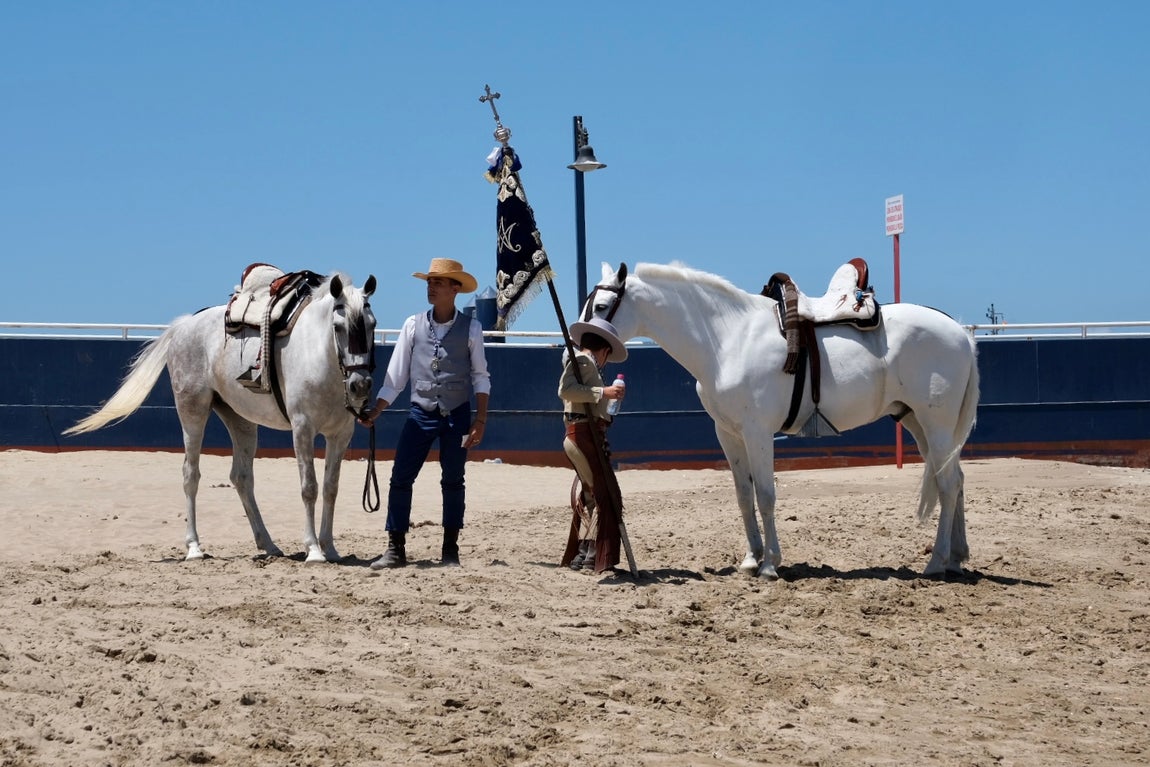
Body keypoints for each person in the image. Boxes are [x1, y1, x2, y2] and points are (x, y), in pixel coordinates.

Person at [358, 258, 491, 569]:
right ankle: (395, 548)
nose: (431, 287)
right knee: (401, 477)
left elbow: (481, 376)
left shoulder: (472, 328)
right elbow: (396, 376)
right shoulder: (412, 324)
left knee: (454, 480)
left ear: (455, 289)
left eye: (438, 282)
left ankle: (450, 551)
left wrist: (480, 419)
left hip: (457, 414)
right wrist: (377, 409)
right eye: (429, 282)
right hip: (421, 412)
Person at [557, 317, 627, 573]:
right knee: (602, 494)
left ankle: (585, 552)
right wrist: (603, 393)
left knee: (591, 494)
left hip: (581, 433)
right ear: (605, 351)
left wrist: (607, 400)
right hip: (581, 434)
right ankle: (593, 552)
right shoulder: (585, 361)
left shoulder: (585, 364)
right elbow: (566, 390)